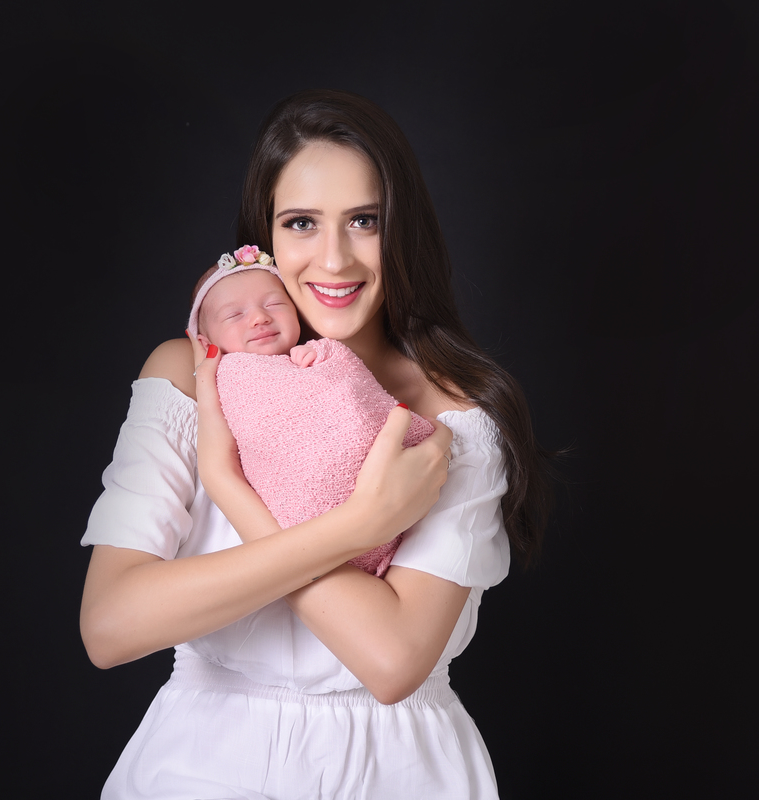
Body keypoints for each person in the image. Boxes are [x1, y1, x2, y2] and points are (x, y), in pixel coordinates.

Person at [79, 89, 555, 799]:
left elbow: (390, 661)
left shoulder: (452, 418)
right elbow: (110, 626)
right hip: (199, 765)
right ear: (265, 237)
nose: (334, 259)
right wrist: (356, 526)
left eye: (365, 220)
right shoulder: (191, 375)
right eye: (301, 223)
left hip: (392, 773)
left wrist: (232, 487)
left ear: (403, 231)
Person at [185, 246, 435, 576]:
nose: (260, 318)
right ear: (205, 343)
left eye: (274, 304)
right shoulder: (227, 376)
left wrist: (320, 355)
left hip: (378, 482)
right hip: (299, 518)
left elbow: (349, 386)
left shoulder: (315, 353)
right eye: (235, 315)